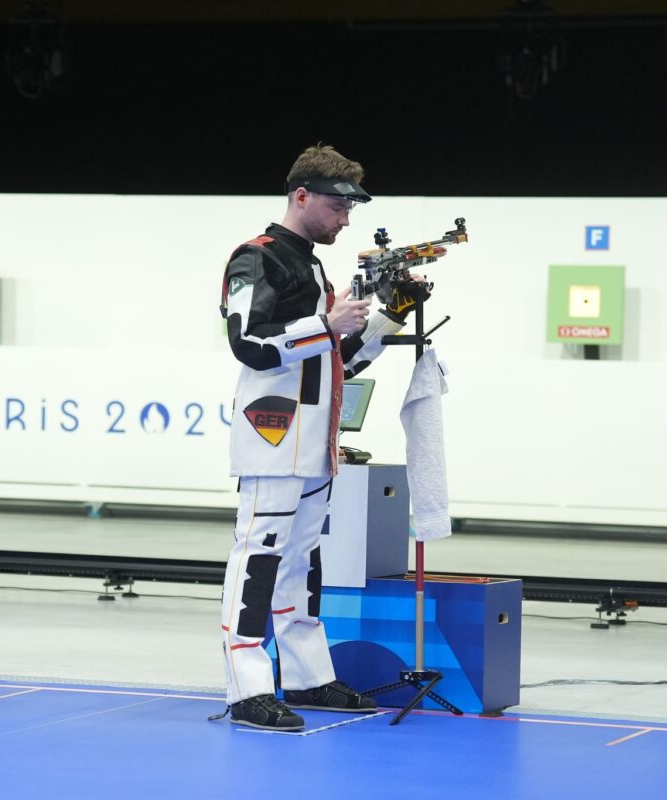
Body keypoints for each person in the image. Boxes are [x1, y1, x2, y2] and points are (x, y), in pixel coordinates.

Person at [216, 144, 429, 730]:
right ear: (301, 196)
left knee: (299, 566)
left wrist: (393, 315)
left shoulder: (311, 266)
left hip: (313, 445)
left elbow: (338, 361)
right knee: (259, 560)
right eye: (338, 206)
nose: (345, 218)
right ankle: (246, 688)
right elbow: (248, 344)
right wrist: (325, 324)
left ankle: (308, 679)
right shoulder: (254, 258)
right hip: (272, 436)